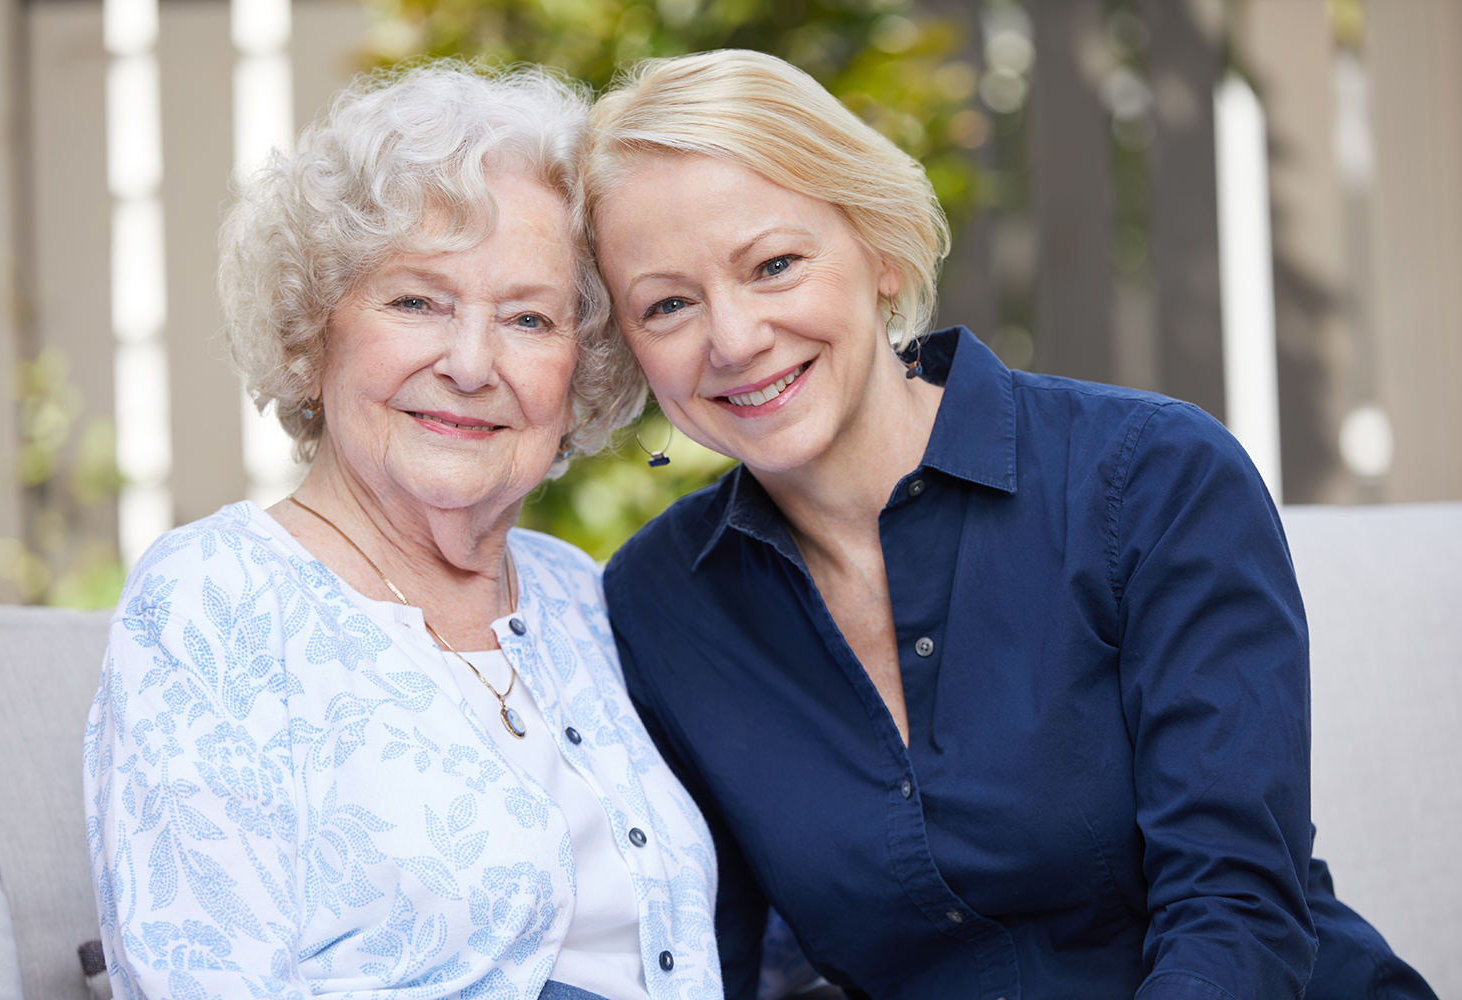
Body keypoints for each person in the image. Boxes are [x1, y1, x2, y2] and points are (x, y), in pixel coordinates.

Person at [586, 49, 1436, 1000]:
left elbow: (1235, 915)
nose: (735, 339)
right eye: (668, 305)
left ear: (881, 249)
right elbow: (706, 958)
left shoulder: (1151, 477)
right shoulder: (657, 604)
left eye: (775, 264)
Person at [83, 63, 720, 1000]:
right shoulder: (215, 598)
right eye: (417, 301)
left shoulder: (576, 591)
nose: (470, 363)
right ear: (313, 336)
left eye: (528, 317)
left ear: (580, 369)